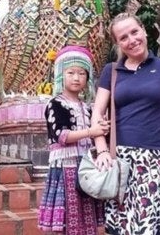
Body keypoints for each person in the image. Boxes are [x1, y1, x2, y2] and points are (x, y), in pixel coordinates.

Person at [91, 12, 160, 235]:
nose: (132, 40)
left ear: (144, 30)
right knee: (123, 226)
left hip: (156, 160)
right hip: (121, 161)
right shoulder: (112, 71)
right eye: (123, 37)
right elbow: (97, 112)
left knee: (154, 226)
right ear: (117, 44)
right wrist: (102, 150)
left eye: (134, 32)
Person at [38, 45, 110, 234]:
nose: (77, 78)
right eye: (71, 72)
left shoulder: (88, 107)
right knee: (67, 219)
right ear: (61, 75)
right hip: (66, 167)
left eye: (82, 73)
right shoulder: (55, 104)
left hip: (87, 166)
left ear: (88, 78)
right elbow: (62, 136)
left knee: (87, 219)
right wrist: (92, 131)